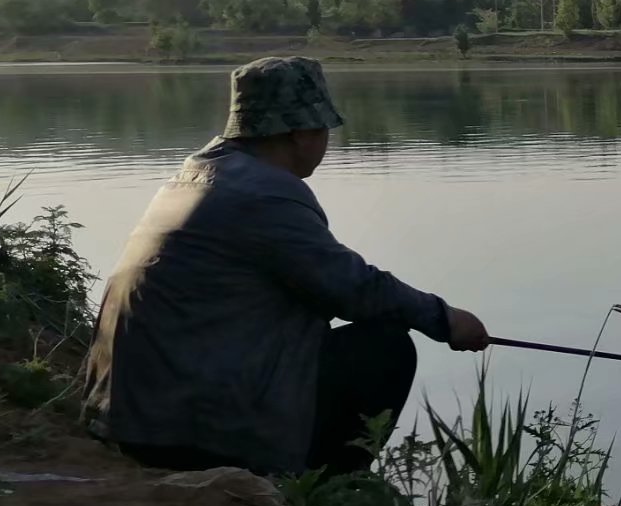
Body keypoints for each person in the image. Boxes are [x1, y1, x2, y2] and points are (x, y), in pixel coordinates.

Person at [85, 56, 489, 476]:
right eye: (324, 132)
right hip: (183, 433)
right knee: (384, 348)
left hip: (127, 416)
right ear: (300, 135)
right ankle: (326, 487)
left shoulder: (197, 174)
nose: (326, 144)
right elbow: (353, 289)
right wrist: (445, 320)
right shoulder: (264, 194)